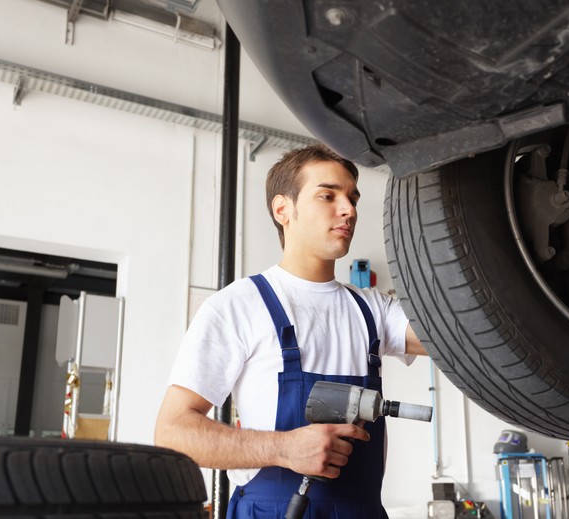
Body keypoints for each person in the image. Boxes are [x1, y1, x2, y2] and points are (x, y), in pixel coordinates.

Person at [155, 143, 426, 518]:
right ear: (283, 209)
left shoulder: (372, 309)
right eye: (328, 196)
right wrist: (283, 448)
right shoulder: (238, 305)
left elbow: (458, 338)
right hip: (272, 511)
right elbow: (173, 433)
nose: (348, 210)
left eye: (352, 198)